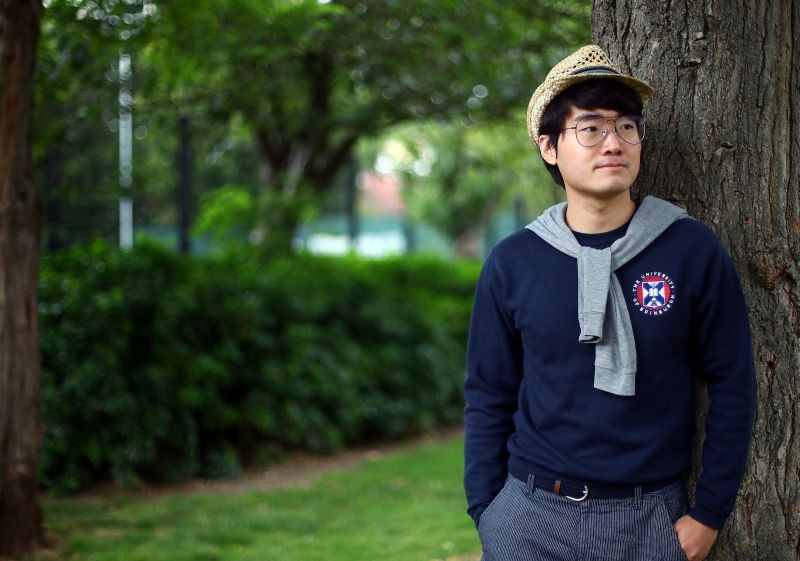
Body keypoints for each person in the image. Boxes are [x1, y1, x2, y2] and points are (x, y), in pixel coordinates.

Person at [463, 45, 757, 561]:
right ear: (549, 147)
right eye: (591, 128)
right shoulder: (514, 261)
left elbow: (733, 381)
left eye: (626, 126)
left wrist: (709, 514)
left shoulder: (689, 248)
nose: (613, 143)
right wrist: (488, 511)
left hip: (648, 522)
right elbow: (489, 392)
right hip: (528, 516)